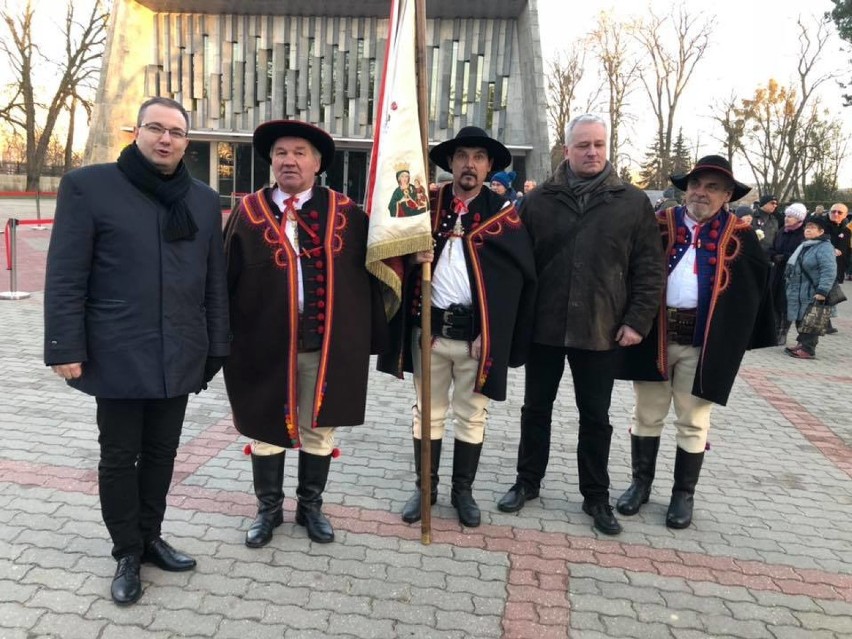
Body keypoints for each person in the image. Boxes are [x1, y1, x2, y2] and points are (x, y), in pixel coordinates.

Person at [43, 97, 230, 606]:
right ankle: (126, 550)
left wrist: (217, 345)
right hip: (118, 351)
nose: (165, 139)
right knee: (120, 455)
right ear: (137, 131)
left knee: (163, 453)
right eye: (155, 128)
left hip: (179, 352)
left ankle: (150, 536)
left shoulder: (201, 200)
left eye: (176, 132)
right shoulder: (89, 187)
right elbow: (65, 275)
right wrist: (63, 344)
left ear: (187, 142)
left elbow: (213, 280)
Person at [496, 114, 664, 535]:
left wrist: (637, 321)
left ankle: (596, 496)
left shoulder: (631, 201)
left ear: (608, 148)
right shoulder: (539, 200)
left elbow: (649, 268)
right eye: (583, 145)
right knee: (536, 409)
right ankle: (527, 482)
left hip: (602, 329)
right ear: (566, 150)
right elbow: (517, 264)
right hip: (545, 328)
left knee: (596, 417)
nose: (592, 152)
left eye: (599, 145)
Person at [223, 120, 388, 547]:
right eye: (281, 152)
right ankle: (268, 510)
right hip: (263, 345)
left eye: (300, 152)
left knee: (318, 426)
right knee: (266, 426)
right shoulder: (247, 212)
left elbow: (378, 270)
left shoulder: (348, 214)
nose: (289, 160)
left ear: (317, 162)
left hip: (324, 344)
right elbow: (223, 278)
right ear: (271, 160)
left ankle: (310, 508)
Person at [379, 126, 536, 528]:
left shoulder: (503, 215)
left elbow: (514, 283)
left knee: (471, 415)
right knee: (427, 413)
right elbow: (386, 247)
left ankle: (462, 491)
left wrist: (493, 332)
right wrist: (412, 256)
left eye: (479, 158)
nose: (470, 164)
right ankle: (425, 489)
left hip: (475, 340)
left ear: (489, 168)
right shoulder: (422, 207)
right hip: (428, 332)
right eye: (463, 156)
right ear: (450, 162)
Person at [616, 155, 776, 529]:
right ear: (685, 188)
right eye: (696, 185)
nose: (700, 193)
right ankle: (640, 485)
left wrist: (732, 343)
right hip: (655, 338)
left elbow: (752, 293)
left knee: (693, 420)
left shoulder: (740, 235)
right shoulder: (659, 224)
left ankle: (683, 494)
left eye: (712, 187)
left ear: (727, 196)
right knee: (647, 414)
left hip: (702, 346)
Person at [784, 216, 837, 359]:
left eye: (812, 227)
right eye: (807, 227)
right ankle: (802, 344)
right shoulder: (806, 245)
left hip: (813, 291)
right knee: (801, 318)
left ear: (821, 231)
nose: (808, 229)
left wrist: (822, 291)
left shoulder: (824, 247)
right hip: (799, 290)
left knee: (811, 319)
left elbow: (829, 270)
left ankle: (808, 349)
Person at [769, 203, 808, 345]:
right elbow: (773, 247)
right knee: (774, 301)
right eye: (786, 215)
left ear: (798, 219)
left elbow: (801, 254)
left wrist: (784, 257)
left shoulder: (803, 234)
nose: (787, 218)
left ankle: (783, 332)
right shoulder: (781, 231)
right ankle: (775, 330)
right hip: (777, 272)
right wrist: (773, 255)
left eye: (790, 216)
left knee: (785, 303)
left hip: (792, 274)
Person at [826, 203, 850, 333]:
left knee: (831, 296)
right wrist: (831, 249)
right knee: (825, 295)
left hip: (838, 268)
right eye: (833, 211)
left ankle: (825, 321)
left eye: (839, 212)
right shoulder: (822, 227)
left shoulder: (846, 231)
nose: (836, 214)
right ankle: (824, 322)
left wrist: (845, 268)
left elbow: (847, 250)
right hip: (824, 268)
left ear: (845, 215)